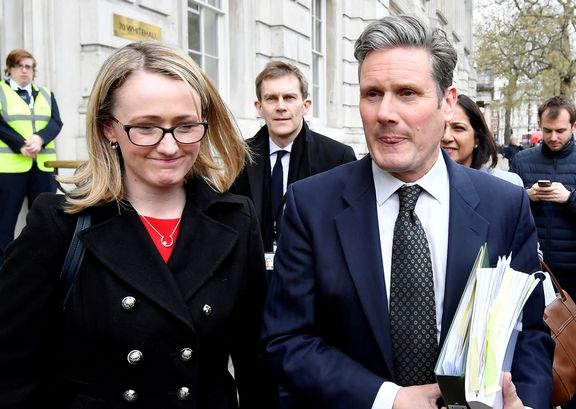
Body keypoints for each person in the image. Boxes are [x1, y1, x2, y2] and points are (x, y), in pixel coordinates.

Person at [261, 15, 553, 409]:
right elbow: (287, 340)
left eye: (407, 93)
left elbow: (530, 333)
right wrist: (389, 398)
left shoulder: (504, 205)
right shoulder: (310, 205)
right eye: (372, 94)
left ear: (447, 102)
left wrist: (525, 404)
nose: (385, 112)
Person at [0, 41, 275, 408]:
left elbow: (256, 365)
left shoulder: (236, 220)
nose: (169, 146)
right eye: (146, 128)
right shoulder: (59, 225)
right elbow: (12, 371)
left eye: (185, 126)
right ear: (108, 129)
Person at [510, 94, 576, 409]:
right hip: (530, 270)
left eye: (560, 131)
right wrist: (525, 196)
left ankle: (572, 402)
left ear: (574, 127)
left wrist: (570, 198)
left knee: (571, 348)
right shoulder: (522, 160)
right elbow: (505, 208)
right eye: (547, 130)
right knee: (529, 346)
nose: (553, 137)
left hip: (572, 271)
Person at [230, 60, 356, 258]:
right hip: (254, 271)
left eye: (289, 98)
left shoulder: (337, 157)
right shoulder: (238, 156)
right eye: (271, 99)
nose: (280, 107)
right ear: (259, 107)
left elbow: (350, 227)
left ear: (306, 106)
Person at [0, 49, 63, 264]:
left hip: (43, 167)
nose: (25, 71)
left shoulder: (46, 93)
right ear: (9, 68)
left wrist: (40, 138)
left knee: (45, 221)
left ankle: (38, 268)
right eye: (20, 66)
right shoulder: (1, 91)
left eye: (29, 67)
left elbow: (56, 122)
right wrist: (20, 144)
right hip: (10, 168)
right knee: (4, 223)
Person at [441, 94, 523, 187]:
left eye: (458, 128)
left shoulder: (508, 185)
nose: (446, 137)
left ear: (477, 138)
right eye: (440, 127)